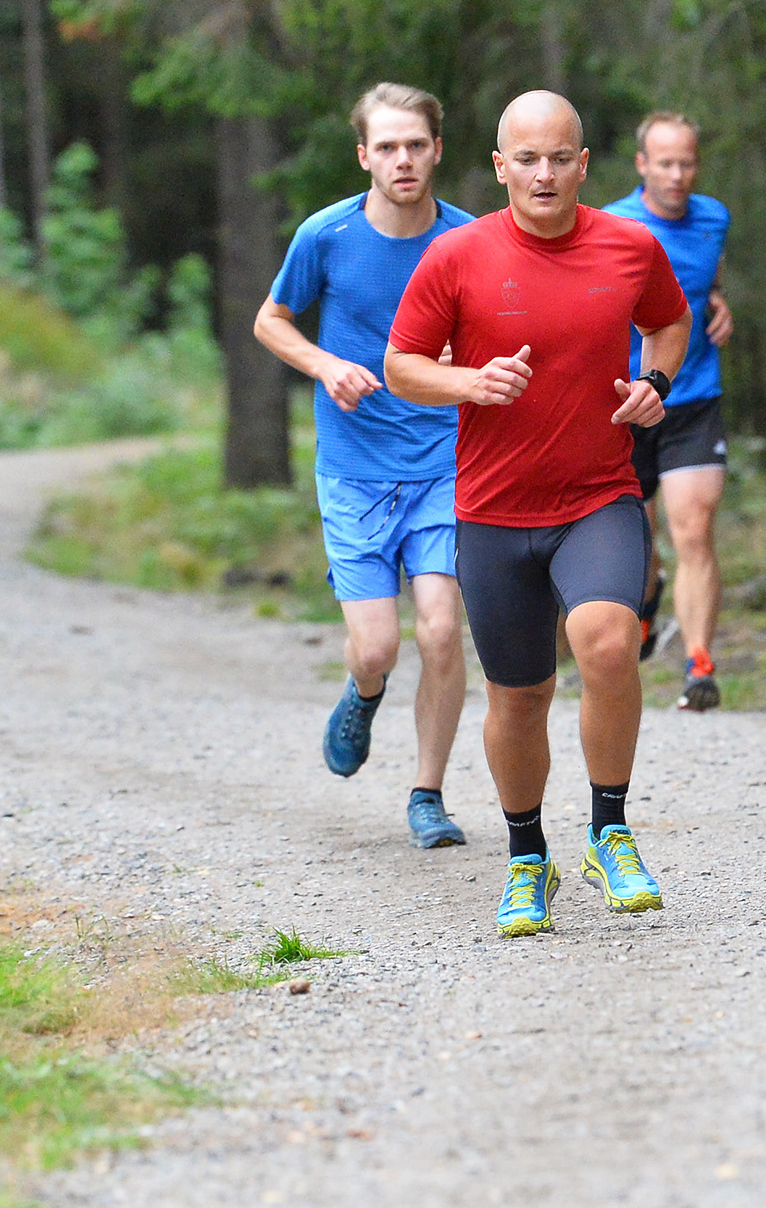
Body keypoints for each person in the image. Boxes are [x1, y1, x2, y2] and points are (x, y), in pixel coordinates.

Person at [386, 90, 689, 938]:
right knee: (518, 696)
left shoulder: (630, 247)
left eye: (560, 157)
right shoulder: (458, 255)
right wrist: (469, 382)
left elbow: (669, 323)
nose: (545, 173)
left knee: (607, 639)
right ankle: (527, 856)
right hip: (493, 510)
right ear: (498, 167)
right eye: (527, 158)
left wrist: (654, 385)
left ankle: (610, 830)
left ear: (585, 164)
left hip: (598, 496)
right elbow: (401, 362)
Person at [256, 84, 478, 850]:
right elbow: (271, 320)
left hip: (446, 459)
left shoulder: (469, 239)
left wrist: (466, 359)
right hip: (354, 466)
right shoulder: (327, 234)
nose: (403, 159)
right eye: (387, 146)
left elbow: (509, 329)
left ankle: (428, 793)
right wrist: (324, 365)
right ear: (364, 156)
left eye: (415, 143)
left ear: (437, 149)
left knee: (443, 630)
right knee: (380, 644)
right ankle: (363, 688)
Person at [603, 112, 734, 712]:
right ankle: (648, 602)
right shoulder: (613, 225)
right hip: (628, 402)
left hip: (693, 396)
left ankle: (699, 664)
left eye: (686, 163)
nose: (677, 176)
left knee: (694, 529)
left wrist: (718, 304)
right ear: (642, 165)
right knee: (641, 541)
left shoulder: (713, 219)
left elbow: (703, 281)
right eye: (665, 164)